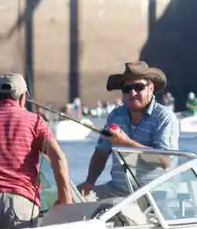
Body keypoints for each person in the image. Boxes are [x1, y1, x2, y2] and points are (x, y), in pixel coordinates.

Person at [0, 73, 74, 229]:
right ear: (23, 97)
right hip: (21, 203)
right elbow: (58, 157)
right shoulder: (35, 122)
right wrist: (64, 199)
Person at [76, 61, 180, 199]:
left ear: (151, 88)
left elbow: (165, 161)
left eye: (138, 87)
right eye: (127, 88)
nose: (133, 93)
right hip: (118, 190)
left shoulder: (164, 117)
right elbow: (101, 152)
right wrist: (89, 182)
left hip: (155, 193)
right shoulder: (116, 115)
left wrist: (127, 143)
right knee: (75, 197)